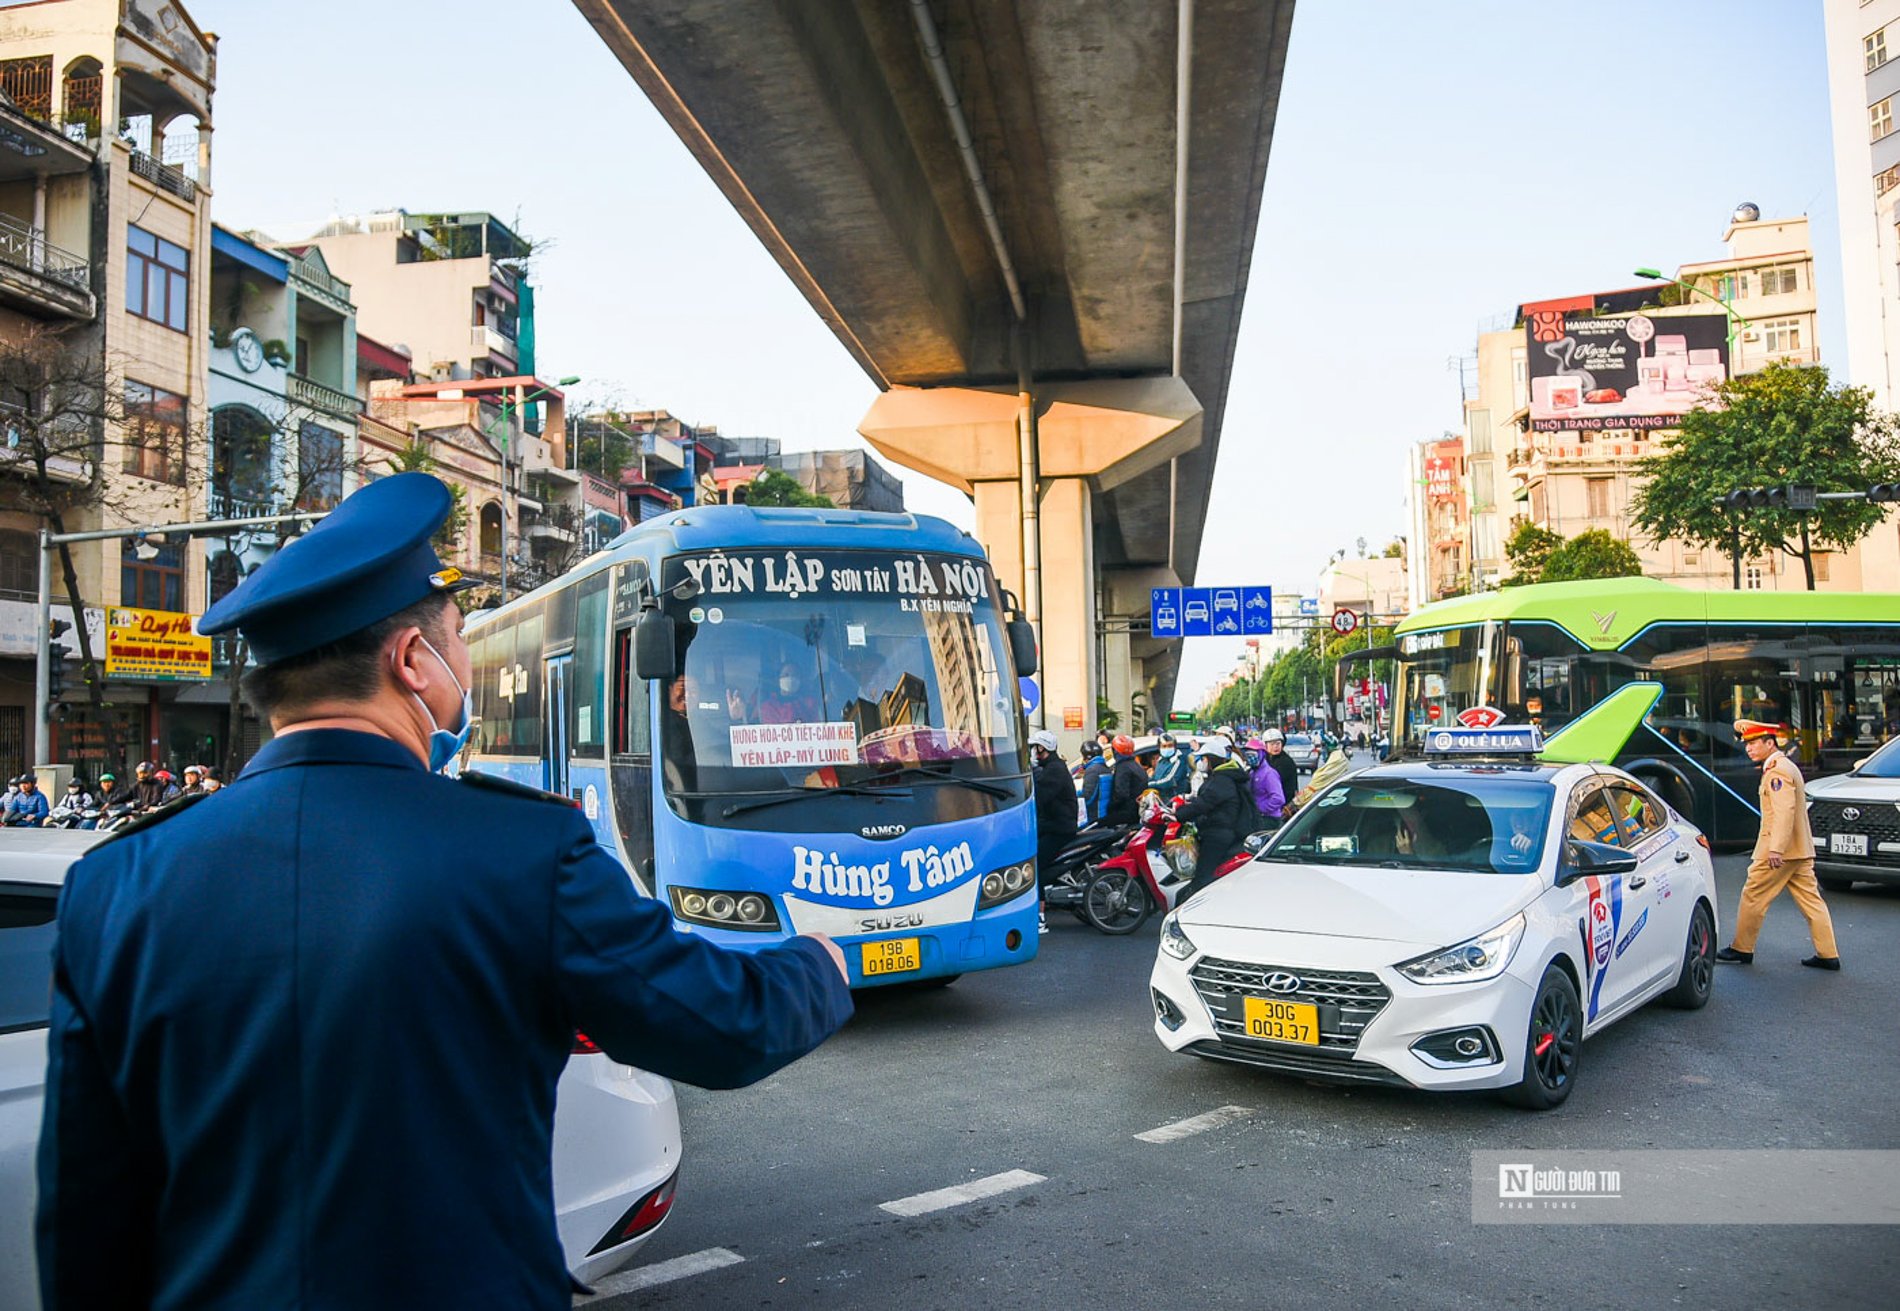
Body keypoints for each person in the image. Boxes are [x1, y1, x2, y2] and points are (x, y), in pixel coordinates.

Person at [37, 473, 855, 1311]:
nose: (468, 664)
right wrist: (820, 965)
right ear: (411, 661)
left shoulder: (112, 888)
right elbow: (719, 1025)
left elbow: (86, 1227)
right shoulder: (520, 851)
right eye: (459, 638)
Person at [1716, 719, 1841, 970]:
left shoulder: (1777, 771)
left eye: (1753, 743)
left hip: (1779, 851)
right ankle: (1828, 954)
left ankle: (1742, 948)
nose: (1749, 749)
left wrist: (1776, 848)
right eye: (1747, 744)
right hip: (1799, 849)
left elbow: (1784, 811)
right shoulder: (1785, 766)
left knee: (1753, 895)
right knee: (1811, 901)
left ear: (1769, 743)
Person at [1174, 740, 1254, 904]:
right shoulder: (1219, 777)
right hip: (1216, 830)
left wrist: (1178, 815)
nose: (1201, 762)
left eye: (1203, 758)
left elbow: (1204, 804)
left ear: (1210, 760)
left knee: (1203, 876)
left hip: (1218, 835)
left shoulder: (1221, 781)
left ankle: (1200, 907)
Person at [1029, 729, 1077, 908]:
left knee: (1035, 866)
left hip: (1059, 827)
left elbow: (1041, 797)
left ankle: (1040, 915)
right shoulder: (1051, 767)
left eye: (1035, 747)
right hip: (1052, 824)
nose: (1034, 751)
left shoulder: (1054, 769)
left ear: (1043, 748)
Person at [1103, 734, 1147, 827]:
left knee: (1099, 824)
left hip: (1128, 813)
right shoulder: (1134, 764)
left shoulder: (1123, 767)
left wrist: (1110, 807)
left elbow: (1121, 794)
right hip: (1137, 811)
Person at [1245, 737, 1287, 827]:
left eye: (1253, 754)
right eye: (1247, 755)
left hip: (1269, 819)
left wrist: (1260, 808)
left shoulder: (1269, 774)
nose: (1250, 758)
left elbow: (1278, 798)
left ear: (1261, 754)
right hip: (1257, 817)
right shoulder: (1251, 772)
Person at [1260, 728, 1299, 810]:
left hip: (1284, 805)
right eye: (1272, 744)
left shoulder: (1285, 761)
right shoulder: (1264, 759)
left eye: (1278, 743)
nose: (1275, 747)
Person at [1149, 732, 1190, 802]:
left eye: (1170, 745)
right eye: (1164, 746)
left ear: (1175, 746)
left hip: (1173, 800)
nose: (1167, 748)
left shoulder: (1178, 761)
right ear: (1159, 747)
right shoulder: (1161, 760)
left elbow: (1169, 781)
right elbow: (1155, 777)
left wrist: (1150, 784)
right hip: (1160, 798)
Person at [1079, 739, 1112, 824]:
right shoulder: (1106, 768)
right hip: (1104, 814)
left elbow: (1088, 797)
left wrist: (1077, 795)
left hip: (1094, 816)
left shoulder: (1092, 770)